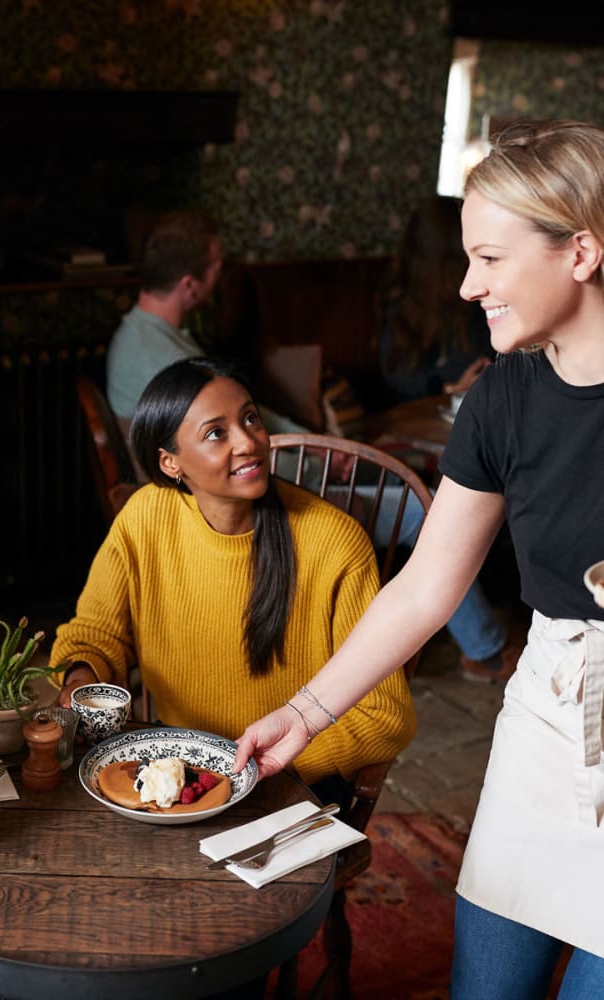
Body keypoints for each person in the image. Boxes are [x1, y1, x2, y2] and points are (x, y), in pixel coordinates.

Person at [234, 120, 604, 998]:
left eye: (491, 258)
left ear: (581, 251)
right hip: (549, 716)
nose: (470, 285)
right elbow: (427, 587)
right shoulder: (501, 400)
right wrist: (306, 712)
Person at [107, 209, 517, 683]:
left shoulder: (141, 335)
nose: (222, 272)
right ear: (190, 283)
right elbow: (235, 443)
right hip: (232, 503)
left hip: (223, 491)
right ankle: (483, 648)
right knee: (421, 511)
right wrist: (321, 448)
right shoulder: (168, 358)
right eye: (217, 264)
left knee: (391, 479)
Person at [53, 357, 415, 806]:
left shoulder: (334, 542)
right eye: (216, 432)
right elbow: (94, 634)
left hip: (290, 779)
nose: (250, 442)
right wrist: (82, 681)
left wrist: (273, 768)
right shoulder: (145, 518)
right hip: (176, 769)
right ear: (170, 463)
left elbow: (385, 714)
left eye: (249, 419)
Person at [378, 194, 495, 404]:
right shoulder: (401, 301)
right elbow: (399, 377)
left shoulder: (477, 302)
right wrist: (449, 389)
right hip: (416, 415)